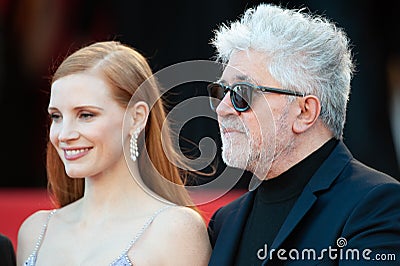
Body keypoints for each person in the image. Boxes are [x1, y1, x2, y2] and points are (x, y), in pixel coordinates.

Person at [206, 3, 400, 265]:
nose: (223, 108)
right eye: (221, 92)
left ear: (305, 111)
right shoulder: (225, 222)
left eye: (241, 93)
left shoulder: (378, 204)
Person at [17, 40, 211, 265]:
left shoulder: (174, 229)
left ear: (136, 117)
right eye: (56, 116)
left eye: (86, 115)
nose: (64, 134)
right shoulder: (35, 232)